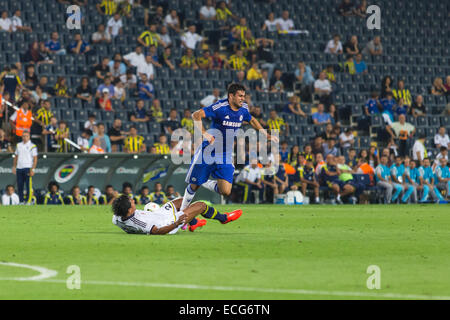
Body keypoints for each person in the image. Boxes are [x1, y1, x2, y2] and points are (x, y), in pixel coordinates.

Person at [180, 83, 278, 211]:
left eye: (244, 96)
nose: (243, 99)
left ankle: (204, 181)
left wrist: (266, 134)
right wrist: (205, 133)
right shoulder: (220, 107)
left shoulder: (244, 109)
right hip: (209, 151)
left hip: (225, 154)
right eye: (240, 96)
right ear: (231, 96)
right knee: (194, 186)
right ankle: (181, 214)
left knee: (225, 191)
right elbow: (196, 115)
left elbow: (252, 120)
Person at [112, 195, 241, 235]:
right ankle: (224, 218)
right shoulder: (140, 222)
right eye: (131, 202)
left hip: (159, 214)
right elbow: (157, 231)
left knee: (183, 200)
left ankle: (194, 223)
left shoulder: (117, 218)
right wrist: (176, 223)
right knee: (200, 205)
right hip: (168, 222)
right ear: (129, 210)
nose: (133, 201)